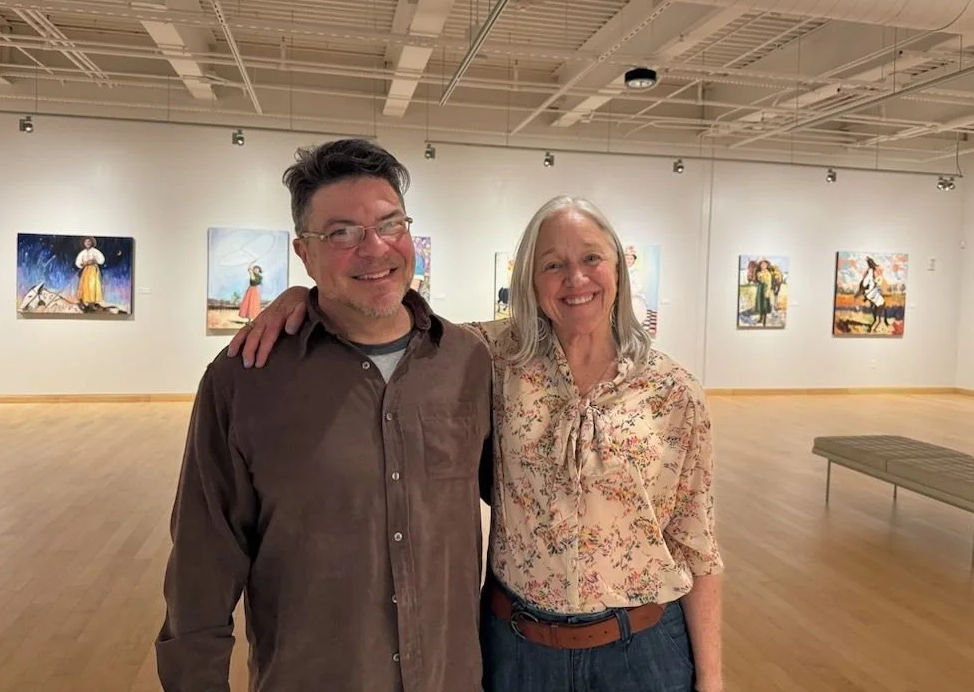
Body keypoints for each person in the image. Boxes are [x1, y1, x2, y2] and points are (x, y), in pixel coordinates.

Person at [230, 195, 725, 692]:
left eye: (592, 258)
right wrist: (304, 296)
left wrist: (712, 679)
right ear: (530, 279)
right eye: (553, 265)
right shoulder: (489, 358)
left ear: (618, 266)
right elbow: (384, 320)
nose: (576, 279)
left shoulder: (673, 390)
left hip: (643, 653)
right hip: (520, 651)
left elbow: (697, 543)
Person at [155, 138, 494, 692]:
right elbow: (202, 559)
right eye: (341, 233)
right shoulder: (245, 378)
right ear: (304, 253)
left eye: (390, 223)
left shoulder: (468, 361)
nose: (375, 248)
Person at [75, 236, 105, 307]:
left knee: (92, 285)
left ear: (92, 243)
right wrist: (83, 263)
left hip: (93, 270)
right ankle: (84, 301)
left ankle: (92, 302)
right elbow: (78, 262)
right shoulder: (83, 253)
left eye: (89, 241)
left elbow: (101, 260)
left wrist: (94, 261)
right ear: (84, 243)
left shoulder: (95, 251)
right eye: (86, 242)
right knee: (84, 284)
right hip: (86, 270)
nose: (87, 243)